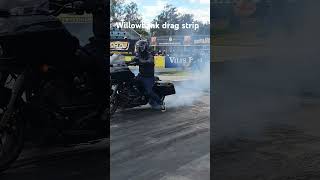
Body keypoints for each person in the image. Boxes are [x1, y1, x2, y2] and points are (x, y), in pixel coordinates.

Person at [131, 40, 166, 112]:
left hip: (148, 78)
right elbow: (133, 60)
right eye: (137, 47)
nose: (137, 49)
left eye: (139, 48)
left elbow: (149, 62)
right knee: (129, 82)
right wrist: (123, 62)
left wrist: (140, 61)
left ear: (144, 48)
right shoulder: (139, 55)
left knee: (149, 92)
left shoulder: (149, 55)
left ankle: (161, 103)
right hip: (140, 75)